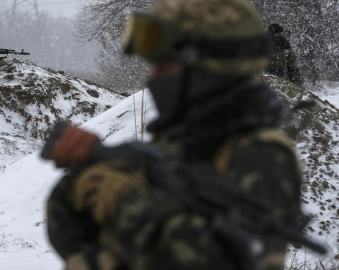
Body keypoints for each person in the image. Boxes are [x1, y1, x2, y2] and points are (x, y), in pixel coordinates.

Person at [45, 0, 303, 269]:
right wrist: (82, 181)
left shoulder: (262, 154)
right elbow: (74, 234)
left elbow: (212, 259)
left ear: (207, 68)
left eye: (165, 66)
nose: (153, 78)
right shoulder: (180, 140)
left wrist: (122, 198)